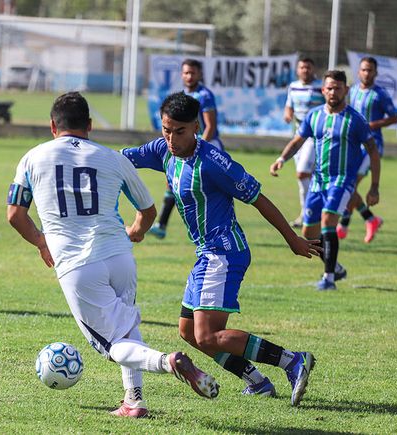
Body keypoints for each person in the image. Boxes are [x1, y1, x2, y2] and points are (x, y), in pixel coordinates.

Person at [6, 92, 219, 419]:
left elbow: (15, 214)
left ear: (52, 126)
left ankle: (168, 361)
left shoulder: (32, 157)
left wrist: (40, 242)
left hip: (77, 264)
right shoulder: (112, 158)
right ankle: (134, 401)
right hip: (120, 255)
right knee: (126, 325)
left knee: (112, 346)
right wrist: (136, 231)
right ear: (89, 125)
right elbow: (147, 210)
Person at [123, 92, 321, 406]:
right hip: (206, 255)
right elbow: (120, 158)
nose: (172, 138)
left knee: (206, 336)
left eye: (180, 131)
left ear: (197, 126)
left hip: (224, 254)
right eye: (166, 129)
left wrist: (292, 240)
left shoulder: (215, 163)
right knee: (188, 333)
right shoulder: (163, 151)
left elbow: (259, 199)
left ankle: (293, 361)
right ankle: (257, 382)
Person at [270, 70, 381, 291]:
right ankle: (336, 268)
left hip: (342, 180)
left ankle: (328, 279)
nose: (333, 92)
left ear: (346, 91)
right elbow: (298, 140)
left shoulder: (355, 120)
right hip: (318, 181)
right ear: (323, 90)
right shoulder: (314, 116)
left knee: (328, 221)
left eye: (338, 88)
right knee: (309, 234)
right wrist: (282, 158)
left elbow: (373, 152)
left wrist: (374, 187)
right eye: (329, 88)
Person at [149, 58, 224, 239]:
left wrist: (199, 148)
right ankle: (162, 225)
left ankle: (222, 226)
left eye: (192, 72)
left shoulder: (204, 95)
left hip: (207, 145)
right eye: (185, 72)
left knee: (218, 188)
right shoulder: (181, 96)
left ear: (199, 74)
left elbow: (210, 126)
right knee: (173, 181)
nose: (189, 76)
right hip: (187, 146)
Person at [338, 57, 397, 243]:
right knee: (348, 185)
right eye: (364, 70)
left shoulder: (380, 94)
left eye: (370, 70)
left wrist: (372, 125)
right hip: (354, 144)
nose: (366, 73)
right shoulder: (353, 91)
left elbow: (394, 118)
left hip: (372, 146)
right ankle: (369, 220)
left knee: (350, 185)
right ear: (359, 72)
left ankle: (345, 224)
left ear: (375, 73)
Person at [283, 58, 325, 228]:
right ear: (297, 70)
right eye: (302, 67)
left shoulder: (320, 87)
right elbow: (289, 105)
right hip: (298, 136)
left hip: (313, 137)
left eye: (308, 67)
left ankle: (311, 211)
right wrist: (288, 114)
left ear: (313, 69)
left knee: (302, 173)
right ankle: (307, 213)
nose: (305, 70)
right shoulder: (293, 86)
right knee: (307, 178)